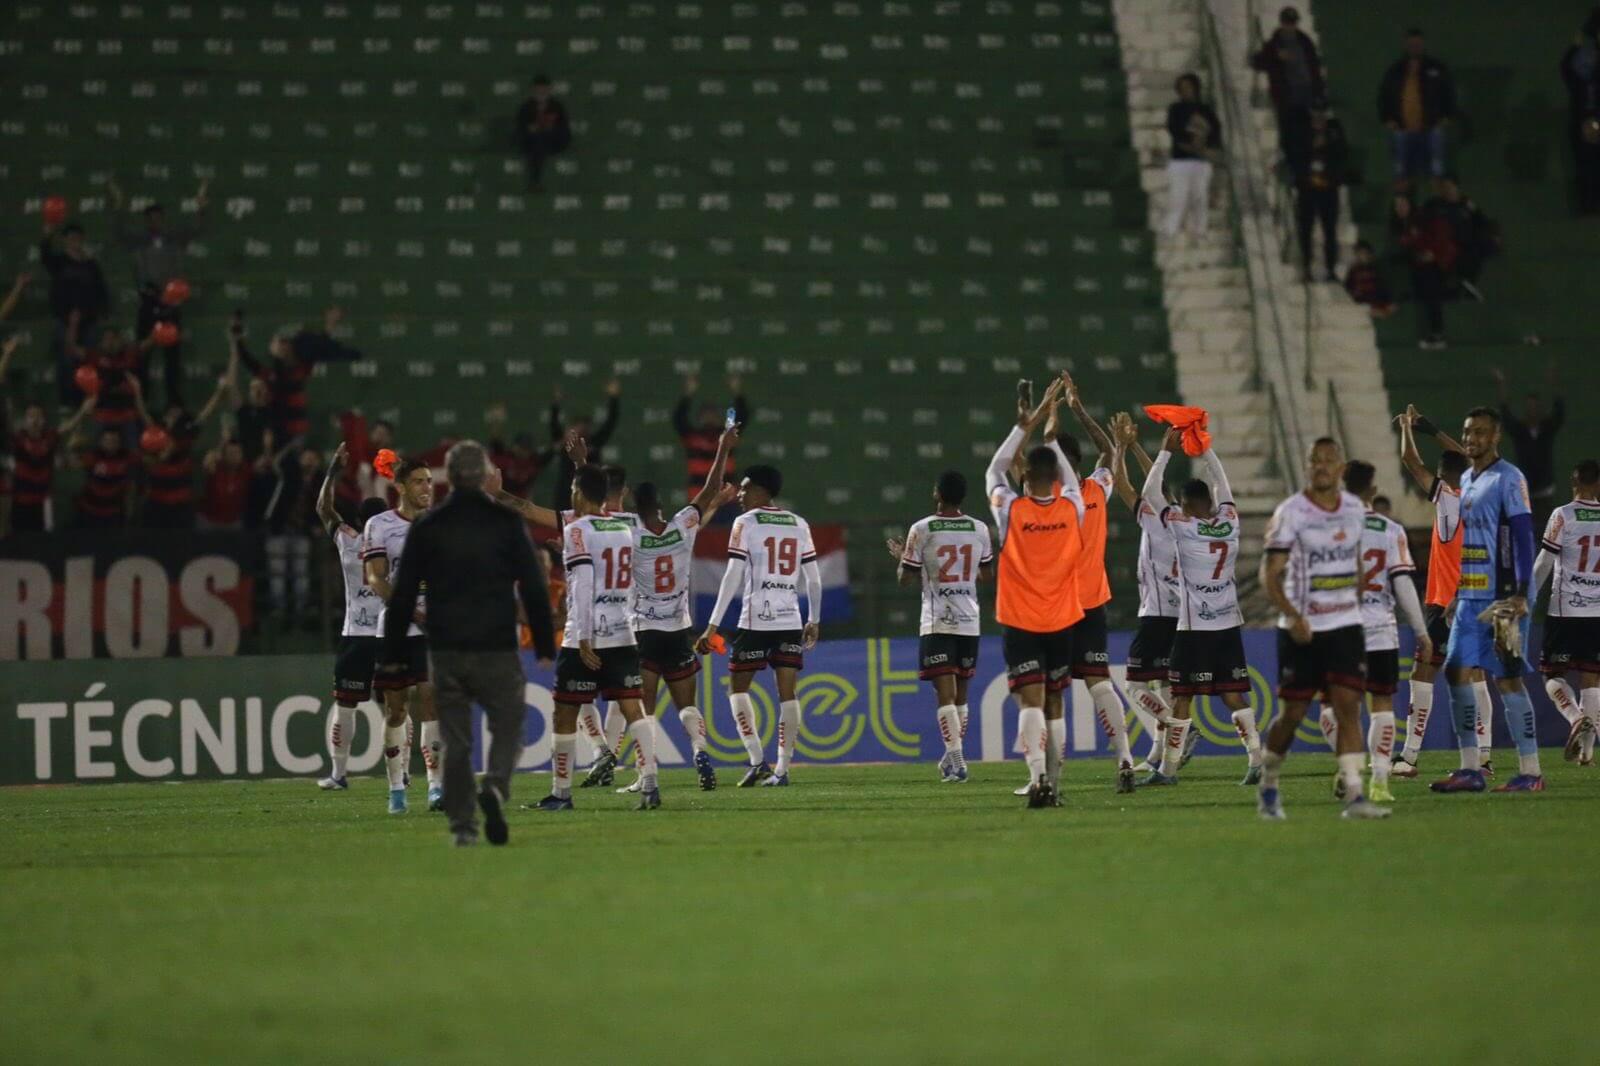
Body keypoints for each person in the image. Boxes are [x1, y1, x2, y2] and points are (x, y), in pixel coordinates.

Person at [380, 441, 557, 846]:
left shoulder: (428, 526)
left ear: (449, 476)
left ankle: (463, 828)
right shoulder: (506, 523)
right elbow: (532, 584)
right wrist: (545, 642)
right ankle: (494, 786)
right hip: (496, 644)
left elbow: (403, 593)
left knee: (455, 740)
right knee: (509, 724)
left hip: (446, 649)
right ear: (481, 476)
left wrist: (391, 655)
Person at [1257, 437, 1390, 820]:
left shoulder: (1354, 509)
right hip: (1303, 628)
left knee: (1349, 707)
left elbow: (1356, 560)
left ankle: (1355, 797)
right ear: (1308, 466)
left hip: (1345, 624)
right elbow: (1271, 575)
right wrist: (1293, 616)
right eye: (1315, 461)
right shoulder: (1291, 512)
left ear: (1341, 468)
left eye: (1329, 461)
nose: (1321, 467)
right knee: (1293, 716)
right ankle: (1268, 783)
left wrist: (1355, 593)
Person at [533, 464, 662, 811]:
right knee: (632, 707)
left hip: (584, 635)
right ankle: (650, 783)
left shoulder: (577, 530)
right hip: (623, 630)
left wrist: (586, 638)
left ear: (577, 491)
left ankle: (561, 793)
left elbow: (587, 584)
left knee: (564, 711)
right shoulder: (622, 527)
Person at [1140, 426, 1263, 787]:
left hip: (1194, 628)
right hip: (1227, 623)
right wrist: (1206, 451)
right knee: (1231, 691)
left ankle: (1168, 771)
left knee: (1181, 698)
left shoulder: (1182, 525)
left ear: (1184, 504)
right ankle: (1256, 760)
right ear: (1209, 502)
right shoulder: (1230, 522)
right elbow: (1223, 486)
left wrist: (1165, 451)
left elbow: (1149, 492)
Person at [1430, 408, 1544, 794]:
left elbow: (1524, 536)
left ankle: (1530, 771)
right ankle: (1470, 769)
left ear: (1495, 437)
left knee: (1507, 678)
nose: (1471, 439)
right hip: (1471, 595)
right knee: (1455, 671)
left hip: (1503, 599)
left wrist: (1520, 591)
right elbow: (1473, 544)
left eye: (1479, 433)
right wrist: (1459, 590)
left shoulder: (1509, 479)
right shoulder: (1465, 477)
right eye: (1467, 432)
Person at [983, 376, 1085, 808]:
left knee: (1030, 698)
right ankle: (1056, 785)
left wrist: (1023, 425)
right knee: (1056, 700)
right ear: (1058, 476)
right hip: (1062, 619)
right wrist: (1048, 434)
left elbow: (992, 470)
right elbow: (1071, 476)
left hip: (1021, 620)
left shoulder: (1011, 510)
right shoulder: (1074, 507)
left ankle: (1038, 777)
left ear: (1026, 474)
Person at [696, 460, 823, 789]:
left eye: (745, 486)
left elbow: (733, 575)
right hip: (789, 618)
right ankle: (782, 769)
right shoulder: (798, 523)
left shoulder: (745, 522)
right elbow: (814, 580)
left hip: (755, 618)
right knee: (788, 693)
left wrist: (712, 626)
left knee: (737, 689)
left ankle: (757, 761)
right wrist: (814, 620)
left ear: (762, 490)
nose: (739, 493)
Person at [625, 427, 740, 791]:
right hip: (678, 631)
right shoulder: (682, 526)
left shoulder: (630, 533)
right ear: (660, 505)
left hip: (644, 632)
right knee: (686, 705)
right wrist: (722, 448)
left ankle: (646, 776)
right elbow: (707, 490)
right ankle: (700, 750)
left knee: (642, 711)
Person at [1392, 407, 1493, 776]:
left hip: (1442, 601)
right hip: (1477, 598)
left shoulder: (1447, 498)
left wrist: (1406, 427)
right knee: (1477, 676)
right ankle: (1484, 757)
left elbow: (1408, 459)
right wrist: (1430, 426)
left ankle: (1409, 756)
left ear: (1442, 476)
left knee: (1423, 673)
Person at [888, 470, 996, 783]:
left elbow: (906, 579)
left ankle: (958, 762)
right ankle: (952, 758)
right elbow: (987, 576)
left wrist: (904, 559)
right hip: (969, 621)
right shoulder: (979, 529)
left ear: (938, 493)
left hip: (938, 621)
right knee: (960, 694)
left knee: (944, 695)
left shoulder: (921, 529)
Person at [1333, 460, 1431, 804]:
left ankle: (1348, 769)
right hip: (1380, 630)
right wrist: (1421, 632)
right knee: (1382, 704)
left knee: (1341, 708)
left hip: (1340, 630)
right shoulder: (1390, 530)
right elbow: (1403, 583)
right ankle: (1378, 780)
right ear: (1372, 490)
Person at [1058, 374, 1137, 792]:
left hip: (1055, 607)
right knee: (1099, 681)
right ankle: (1124, 758)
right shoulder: (1096, 489)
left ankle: (1045, 775)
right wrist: (1078, 408)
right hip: (1092, 603)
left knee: (1046, 691)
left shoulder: (1047, 502)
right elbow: (1108, 451)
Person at [363, 456, 442, 814]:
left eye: (429, 481)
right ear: (401, 488)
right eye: (419, 482)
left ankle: (437, 788)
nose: (427, 487)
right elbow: (376, 578)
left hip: (431, 628)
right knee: (396, 710)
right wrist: (411, 609)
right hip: (395, 627)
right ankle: (396, 789)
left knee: (431, 699)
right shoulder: (379, 525)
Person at [1108, 413, 1183, 773]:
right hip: (1181, 614)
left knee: (1136, 685)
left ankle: (1177, 727)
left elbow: (1121, 483)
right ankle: (1159, 756)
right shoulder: (1182, 520)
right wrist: (1138, 445)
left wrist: (1121, 447)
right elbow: (1158, 484)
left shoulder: (1151, 519)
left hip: (1155, 613)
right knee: (1165, 682)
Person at [315, 443, 390, 791]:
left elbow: (322, 508)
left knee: (345, 706)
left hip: (356, 635)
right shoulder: (397, 544)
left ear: (360, 520)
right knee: (395, 706)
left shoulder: (348, 541)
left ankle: (339, 774)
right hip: (389, 634)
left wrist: (333, 470)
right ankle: (400, 774)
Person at [108, 178, 209, 408]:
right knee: (141, 354)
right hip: (148, 300)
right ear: (146, 221)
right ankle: (140, 398)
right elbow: (118, 232)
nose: (155, 222)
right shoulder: (139, 239)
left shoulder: (174, 237)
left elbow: (198, 228)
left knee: (172, 357)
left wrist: (201, 204)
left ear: (163, 219)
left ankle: (173, 401)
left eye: (158, 217)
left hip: (171, 302)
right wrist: (118, 204)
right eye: (150, 218)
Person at [1532, 459, 1600, 767]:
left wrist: (1526, 598)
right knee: (1592, 678)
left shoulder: (1563, 515)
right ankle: (1586, 753)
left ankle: (1574, 718)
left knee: (1552, 675)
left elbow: (1545, 562)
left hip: (1565, 610)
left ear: (1573, 482)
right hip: (1597, 613)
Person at [233, 306, 362, 446]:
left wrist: (330, 324)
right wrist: (237, 334)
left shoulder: (300, 370)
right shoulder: (270, 372)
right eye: (280, 343)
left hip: (296, 437)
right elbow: (247, 359)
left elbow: (284, 381)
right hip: (278, 433)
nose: (283, 347)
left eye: (285, 343)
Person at [129, 373, 230, 530]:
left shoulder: (187, 431)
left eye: (177, 411)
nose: (173, 415)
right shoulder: (156, 430)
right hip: (157, 498)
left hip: (180, 499)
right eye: (170, 412)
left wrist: (219, 392)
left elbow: (206, 414)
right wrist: (137, 391)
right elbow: (143, 414)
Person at [38, 221, 110, 405]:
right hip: (64, 320)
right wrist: (47, 236)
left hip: (89, 321)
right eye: (71, 238)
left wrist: (101, 312)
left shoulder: (91, 264)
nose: (75, 242)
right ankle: (68, 403)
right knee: (67, 362)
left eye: (78, 238)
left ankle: (90, 400)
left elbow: (101, 290)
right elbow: (45, 256)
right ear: (65, 241)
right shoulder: (59, 262)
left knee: (89, 360)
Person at [6, 388, 96, 534]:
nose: (35, 420)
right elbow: (7, 425)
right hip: (20, 502)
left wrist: (82, 411)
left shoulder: (50, 437)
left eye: (38, 416)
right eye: (31, 416)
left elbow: (68, 427)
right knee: (18, 538)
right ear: (25, 420)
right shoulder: (18, 439)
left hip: (42, 502)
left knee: (42, 540)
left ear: (44, 419)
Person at [1250, 6, 1324, 170]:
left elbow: (1314, 68)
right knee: (1288, 130)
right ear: (1281, 23)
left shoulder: (1305, 41)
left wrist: (1318, 93)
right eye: (1287, 22)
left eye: (1292, 23)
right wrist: (1276, 57)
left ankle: (1307, 161)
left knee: (1308, 129)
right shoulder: (1274, 44)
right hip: (1286, 95)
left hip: (1306, 92)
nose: (1290, 26)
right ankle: (1290, 163)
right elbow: (1258, 62)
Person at [1378, 28, 1456, 181]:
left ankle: (1437, 202)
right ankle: (1403, 203)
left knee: (1436, 170)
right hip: (1402, 130)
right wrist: (1387, 119)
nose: (1415, 47)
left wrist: (1447, 117)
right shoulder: (1395, 70)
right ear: (1405, 45)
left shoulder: (1436, 68)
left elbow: (1449, 93)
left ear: (1423, 44)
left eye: (1418, 43)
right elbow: (1383, 96)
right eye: (1411, 43)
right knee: (1401, 172)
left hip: (1432, 128)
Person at [1492, 366, 1564, 526]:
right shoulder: (1519, 431)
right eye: (1529, 407)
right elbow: (1505, 412)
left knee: (1548, 536)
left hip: (1545, 492)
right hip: (1525, 494)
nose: (1532, 410)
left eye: (1535, 407)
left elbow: (1559, 410)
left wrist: (1554, 382)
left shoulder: (1547, 429)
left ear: (1540, 409)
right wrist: (1501, 384)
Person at [1290, 100, 1348, 282]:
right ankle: (1306, 267)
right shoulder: (1303, 132)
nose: (1318, 118)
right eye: (1315, 114)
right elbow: (1296, 155)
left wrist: (1327, 143)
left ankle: (1331, 269)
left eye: (1321, 114)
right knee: (1305, 229)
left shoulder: (1335, 131)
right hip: (1308, 190)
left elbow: (1342, 154)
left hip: (1328, 189)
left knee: (1329, 230)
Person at [1390, 190, 1452, 349]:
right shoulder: (1399, 225)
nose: (1400, 208)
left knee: (1432, 298)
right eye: (1397, 205)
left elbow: (1435, 239)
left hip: (1432, 266)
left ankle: (1438, 335)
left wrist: (1433, 254)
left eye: (1403, 204)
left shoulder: (1422, 220)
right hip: (1417, 266)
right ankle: (1431, 333)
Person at [1164, 73, 1221, 240]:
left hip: (1200, 160)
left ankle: (1200, 230)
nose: (1185, 90)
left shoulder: (1206, 109)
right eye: (1181, 88)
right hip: (1180, 159)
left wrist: (1205, 146)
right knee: (1177, 196)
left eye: (1188, 87)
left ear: (1195, 88)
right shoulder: (1175, 108)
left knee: (1200, 197)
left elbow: (1215, 131)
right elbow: (1174, 129)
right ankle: (1171, 229)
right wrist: (1189, 143)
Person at [547, 381, 620, 512]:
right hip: (566, 495)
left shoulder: (595, 443)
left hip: (591, 496)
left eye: (585, 428)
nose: (582, 431)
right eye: (578, 427)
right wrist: (556, 403)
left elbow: (610, 423)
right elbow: (554, 425)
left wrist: (613, 398)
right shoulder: (565, 444)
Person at [675, 374, 748, 499]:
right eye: (705, 415)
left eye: (712, 415)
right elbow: (678, 418)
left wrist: (737, 391)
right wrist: (688, 393)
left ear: (719, 418)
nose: (709, 418)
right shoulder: (692, 437)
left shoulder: (727, 436)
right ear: (699, 419)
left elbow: (742, 416)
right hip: (699, 496)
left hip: (725, 498)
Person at [1561, 11, 1600, 213]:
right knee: (1587, 164)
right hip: (1585, 117)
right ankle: (1588, 203)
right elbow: (1570, 75)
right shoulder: (1585, 56)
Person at [515, 74, 572, 192]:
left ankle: (535, 181)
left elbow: (564, 128)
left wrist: (550, 129)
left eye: (544, 89)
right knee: (537, 140)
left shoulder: (557, 106)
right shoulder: (526, 107)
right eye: (538, 89)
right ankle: (535, 182)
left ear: (549, 90)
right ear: (533, 90)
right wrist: (530, 129)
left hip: (553, 141)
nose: (541, 92)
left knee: (541, 139)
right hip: (532, 142)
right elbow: (520, 128)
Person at [74, 424, 135, 528]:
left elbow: (148, 460)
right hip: (89, 512)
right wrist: (74, 445)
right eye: (107, 440)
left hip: (114, 514)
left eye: (114, 441)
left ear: (120, 443)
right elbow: (72, 461)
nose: (110, 444)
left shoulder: (127, 458)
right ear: (101, 441)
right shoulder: (92, 457)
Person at [1343, 240, 1397, 317]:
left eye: (1364, 253)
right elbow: (1348, 289)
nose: (1362, 256)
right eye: (1359, 254)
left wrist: (1388, 303)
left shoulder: (1376, 270)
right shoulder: (1353, 271)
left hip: (1376, 302)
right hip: (1361, 304)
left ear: (1370, 255)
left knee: (1389, 308)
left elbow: (1383, 288)